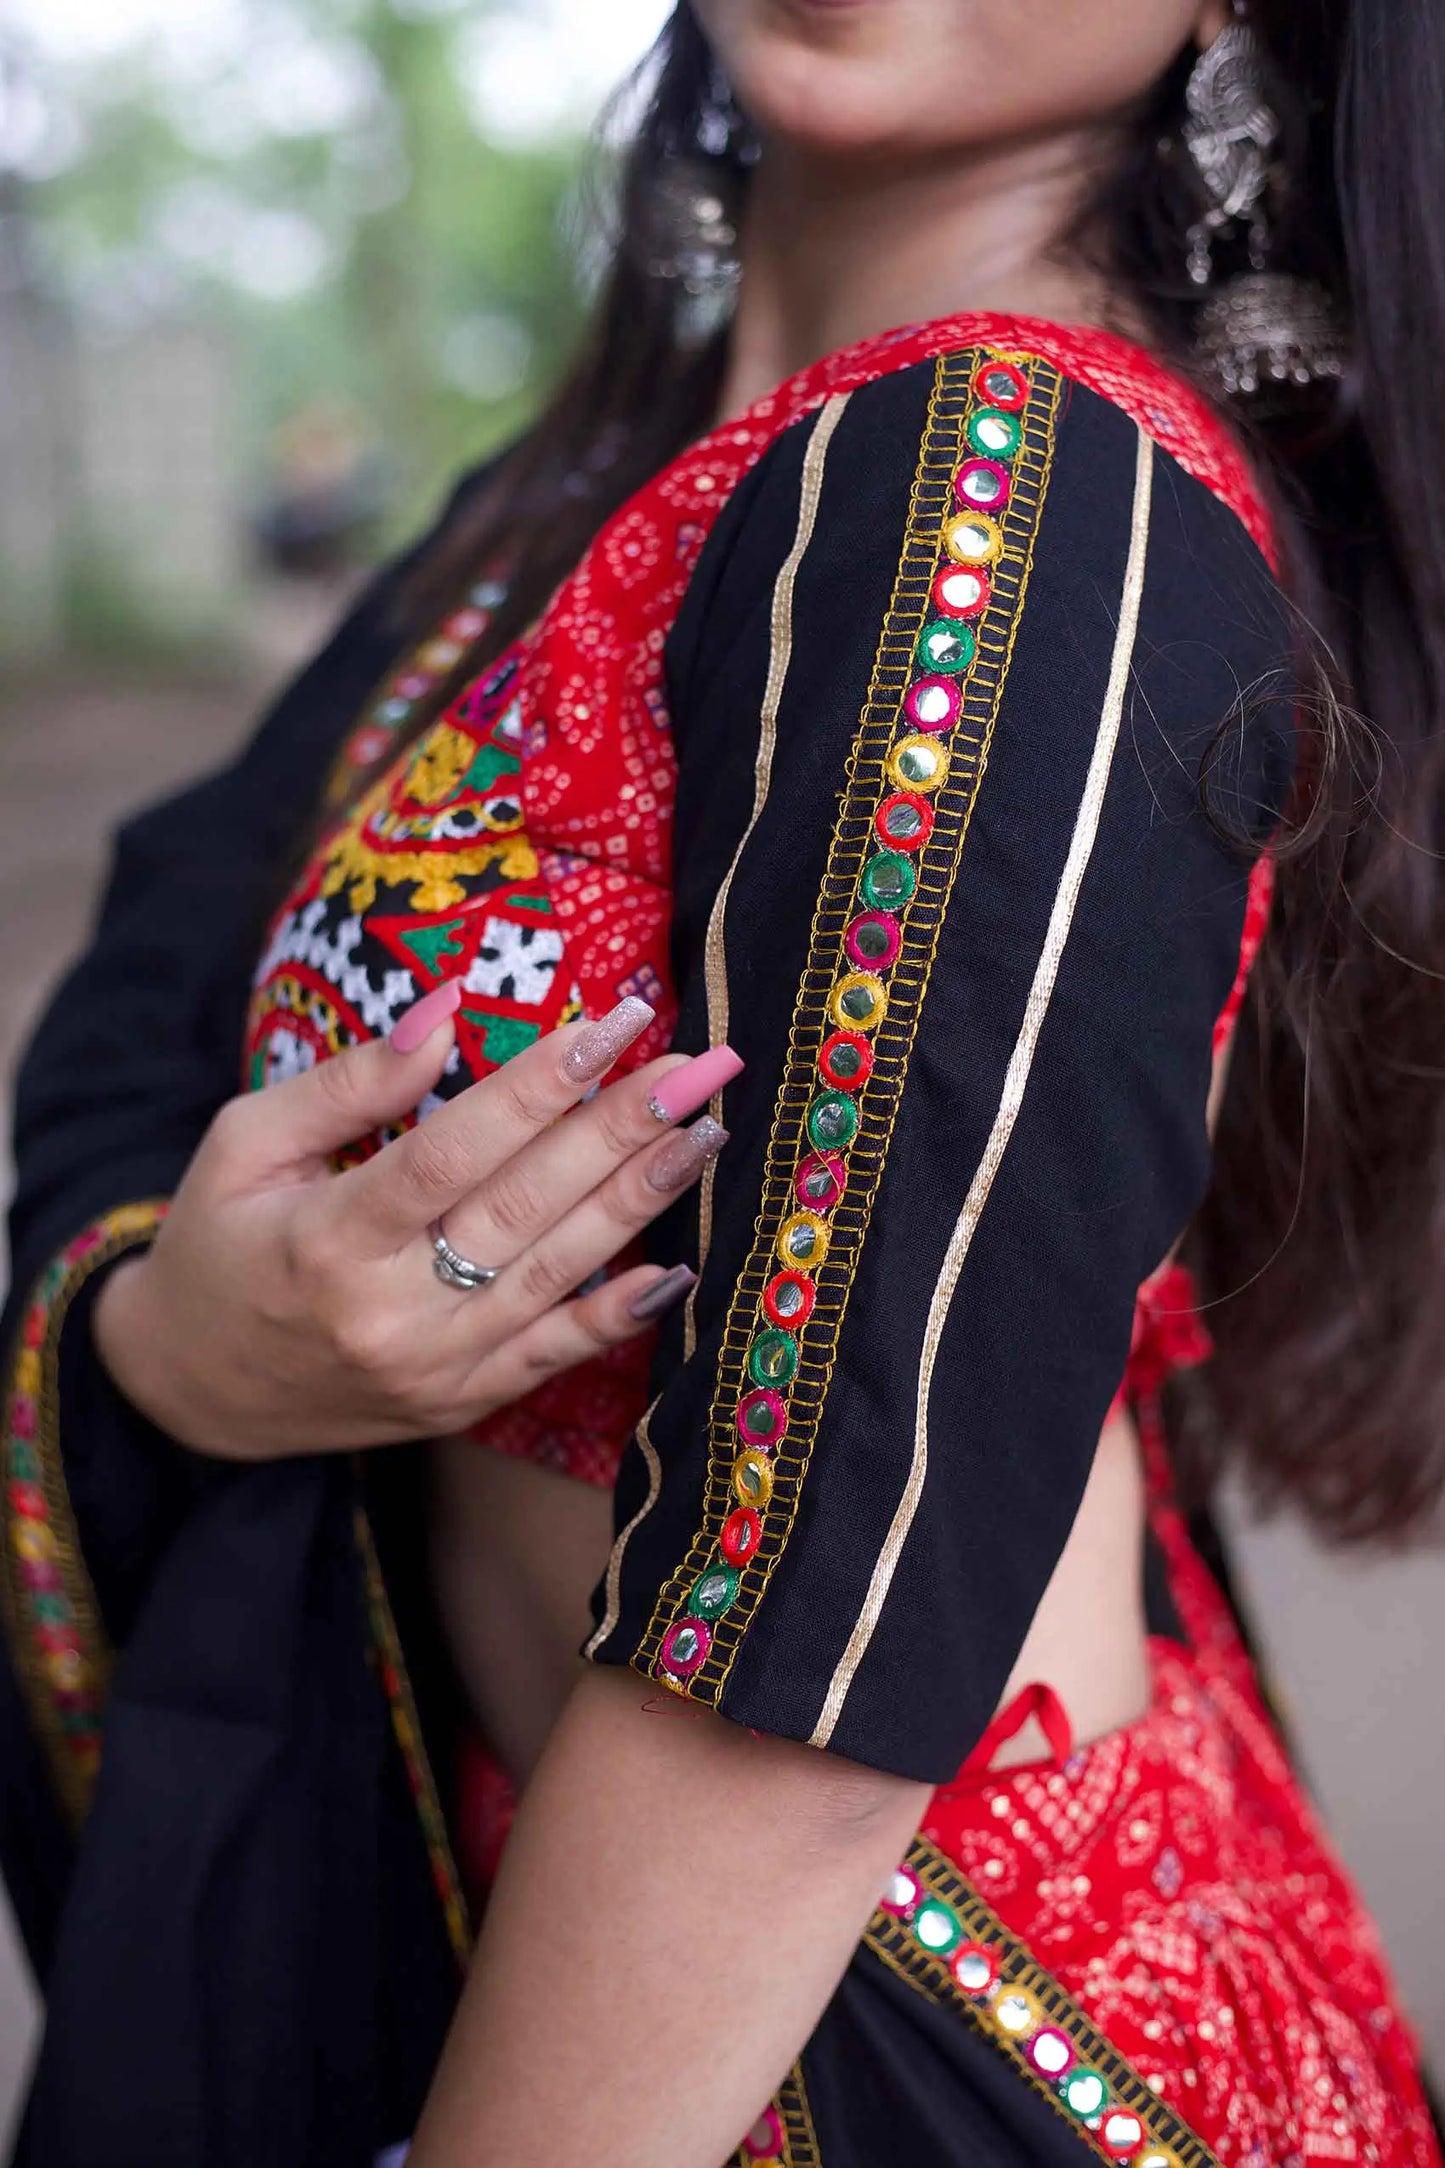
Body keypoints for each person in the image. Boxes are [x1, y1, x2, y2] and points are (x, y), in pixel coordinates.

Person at [3, 1, 1443, 2163]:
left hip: (868, 2021)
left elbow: (831, 1635)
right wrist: (178, 1342)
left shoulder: (1027, 478)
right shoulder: (557, 512)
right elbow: (150, 977)